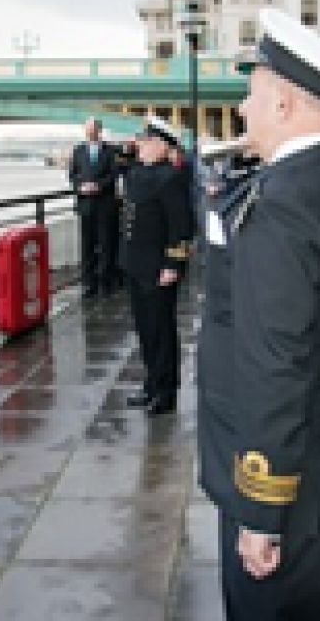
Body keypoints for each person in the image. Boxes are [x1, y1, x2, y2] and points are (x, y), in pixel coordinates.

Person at [197, 8, 320, 620]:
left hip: (292, 484)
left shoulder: (283, 206)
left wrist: (260, 511)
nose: (243, 110)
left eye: (252, 96)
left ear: (283, 105)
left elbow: (275, 362)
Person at [120, 116, 193, 415]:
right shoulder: (139, 173)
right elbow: (118, 162)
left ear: (162, 146)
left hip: (158, 267)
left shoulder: (169, 178)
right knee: (144, 329)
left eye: (147, 141)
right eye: (140, 140)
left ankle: (166, 391)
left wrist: (172, 264)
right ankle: (151, 383)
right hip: (135, 264)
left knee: (161, 330)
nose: (140, 145)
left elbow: (182, 227)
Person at [68, 118, 118, 297]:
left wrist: (99, 186)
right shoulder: (78, 150)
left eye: (93, 129)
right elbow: (73, 175)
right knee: (87, 246)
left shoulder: (110, 150)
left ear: (99, 130)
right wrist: (80, 187)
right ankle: (89, 283)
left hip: (105, 204)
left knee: (106, 244)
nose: (90, 132)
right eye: (87, 129)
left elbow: (114, 174)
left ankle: (105, 281)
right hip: (86, 205)